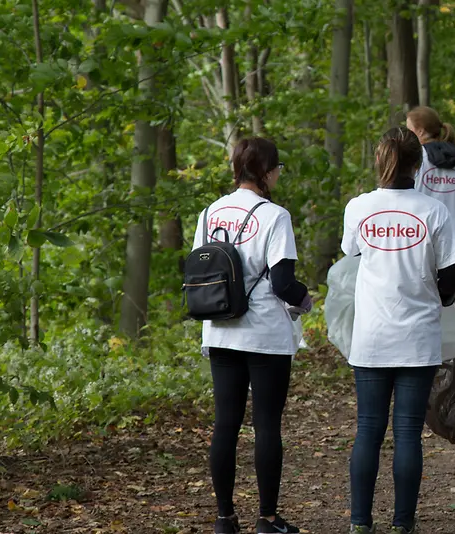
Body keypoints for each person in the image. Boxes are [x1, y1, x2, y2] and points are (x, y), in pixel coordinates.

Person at [341, 127, 455, 534]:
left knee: (368, 429)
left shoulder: (359, 208)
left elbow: (351, 257)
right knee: (408, 432)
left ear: (379, 161)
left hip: (371, 335)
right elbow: (451, 278)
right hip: (417, 335)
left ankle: (360, 523)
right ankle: (402, 524)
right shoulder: (434, 212)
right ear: (418, 164)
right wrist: (437, 297)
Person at [194, 137, 312, 534]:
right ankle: (267, 518)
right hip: (263, 333)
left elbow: (201, 269)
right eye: (276, 168)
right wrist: (306, 299)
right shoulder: (276, 216)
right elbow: (282, 282)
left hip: (221, 329)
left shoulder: (209, 212)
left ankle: (225, 518)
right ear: (265, 172)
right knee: (266, 424)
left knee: (225, 423)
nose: (278, 175)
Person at [406, 106, 455, 247]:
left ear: (420, 131)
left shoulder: (414, 161)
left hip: (418, 246)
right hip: (454, 246)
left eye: (408, 129)